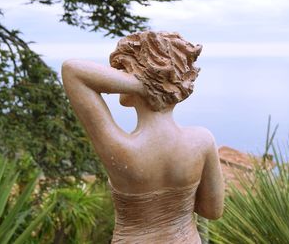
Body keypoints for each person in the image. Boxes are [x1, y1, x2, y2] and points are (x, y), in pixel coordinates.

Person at [62, 31, 224, 243]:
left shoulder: (122, 148)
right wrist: (159, 82)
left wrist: (142, 83)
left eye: (122, 70)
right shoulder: (202, 141)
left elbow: (72, 71)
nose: (115, 76)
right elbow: (212, 211)